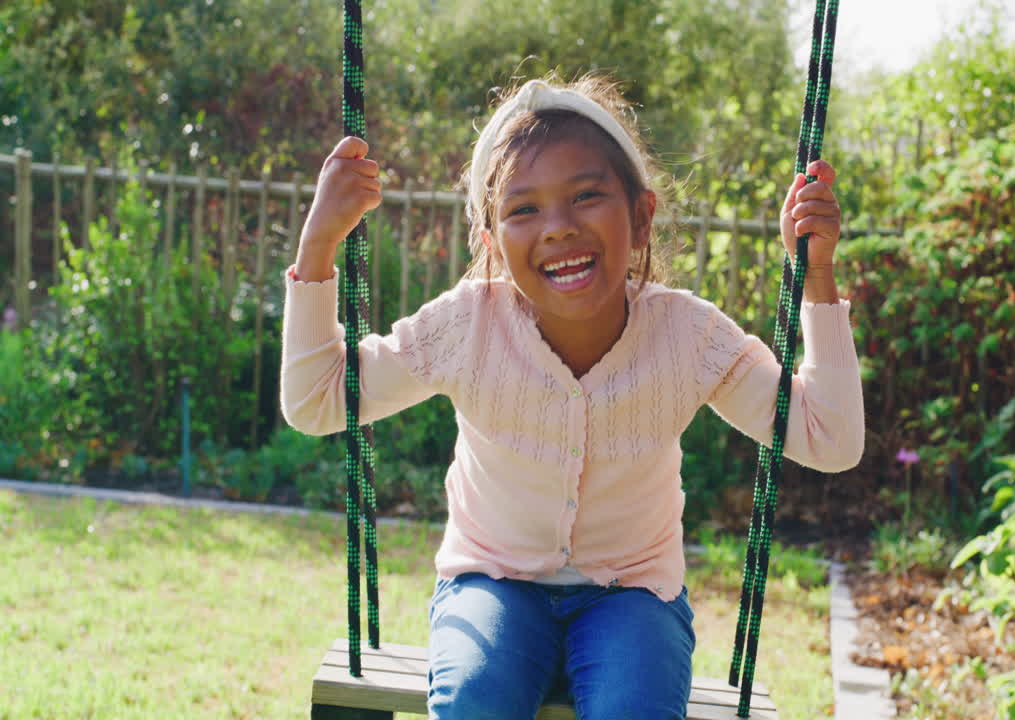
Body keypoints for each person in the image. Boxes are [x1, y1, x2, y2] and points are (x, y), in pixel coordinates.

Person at [280, 75, 865, 720]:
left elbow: (828, 439)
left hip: (633, 594)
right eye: (523, 209)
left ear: (641, 217)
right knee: (477, 698)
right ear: (490, 243)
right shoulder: (466, 327)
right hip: (491, 582)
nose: (558, 228)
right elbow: (318, 400)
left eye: (587, 196)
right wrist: (318, 246)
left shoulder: (687, 337)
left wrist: (816, 277)